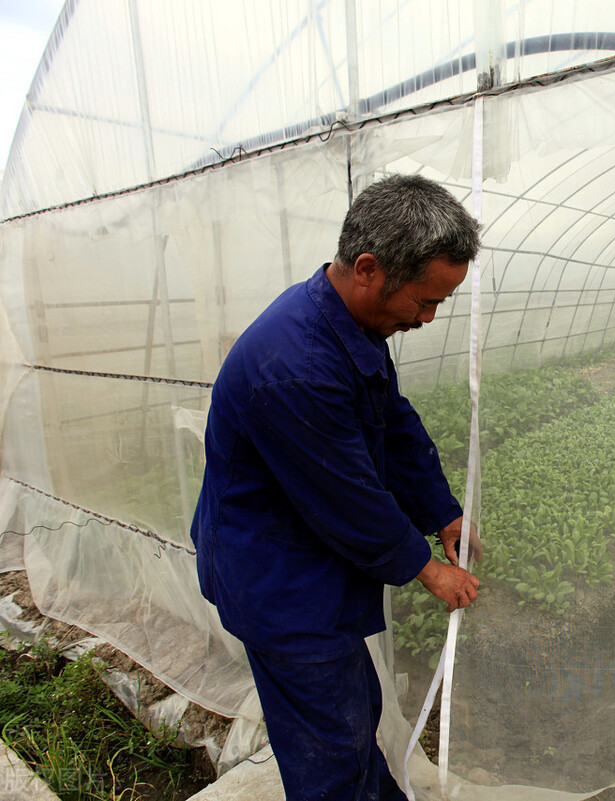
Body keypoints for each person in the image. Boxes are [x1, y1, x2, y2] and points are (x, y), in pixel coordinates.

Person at [190, 173, 482, 801]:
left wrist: (442, 513)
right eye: (425, 301)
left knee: (349, 714)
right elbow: (347, 497)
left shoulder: (351, 327)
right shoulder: (298, 365)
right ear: (370, 269)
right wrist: (430, 570)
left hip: (306, 559)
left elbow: (394, 426)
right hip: (278, 577)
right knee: (328, 742)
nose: (429, 319)